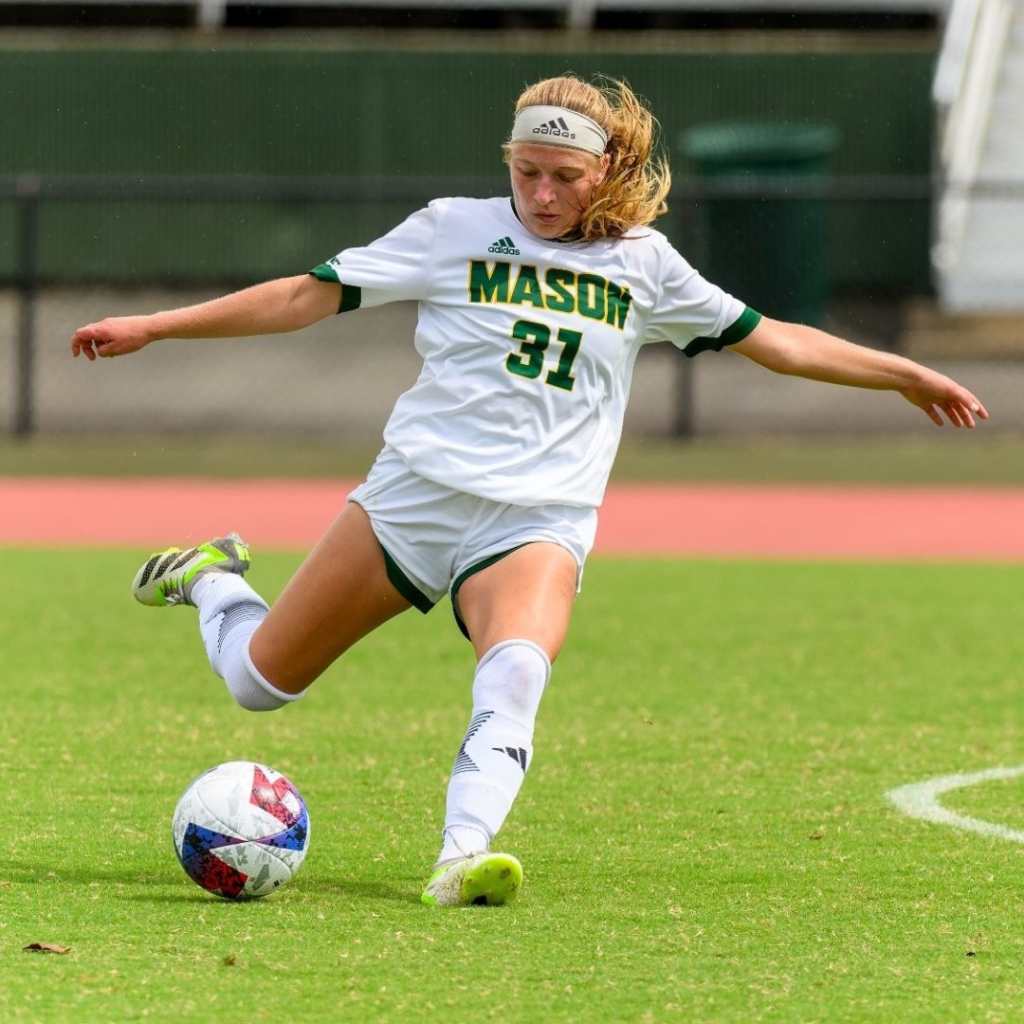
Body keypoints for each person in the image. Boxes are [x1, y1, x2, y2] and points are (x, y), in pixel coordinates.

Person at [70, 73, 988, 908]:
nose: (542, 195)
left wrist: (899, 372)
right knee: (259, 684)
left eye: (563, 176)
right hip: (411, 502)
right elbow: (307, 294)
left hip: (539, 519)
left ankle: (462, 855)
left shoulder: (643, 264)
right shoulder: (453, 230)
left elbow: (775, 338)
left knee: (514, 672)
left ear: (607, 169)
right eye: (527, 172)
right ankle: (214, 578)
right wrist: (158, 324)